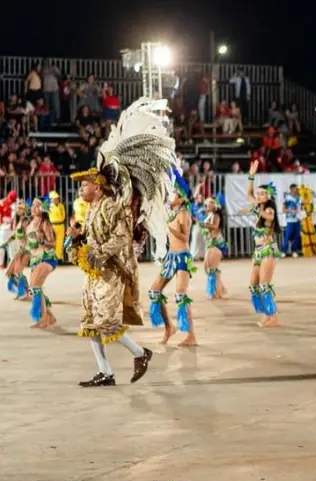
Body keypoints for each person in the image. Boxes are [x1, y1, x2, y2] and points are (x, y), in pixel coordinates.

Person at [66, 97, 176, 387]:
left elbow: (121, 238)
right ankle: (106, 372)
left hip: (111, 270)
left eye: (85, 184)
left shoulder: (114, 207)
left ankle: (140, 353)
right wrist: (78, 240)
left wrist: (97, 252)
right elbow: (92, 239)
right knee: (90, 323)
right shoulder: (91, 210)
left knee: (106, 322)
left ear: (98, 186)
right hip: (95, 271)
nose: (81, 188)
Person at [147, 176, 198, 347]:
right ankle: (169, 327)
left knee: (180, 295)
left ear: (182, 198)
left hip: (182, 256)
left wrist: (169, 228)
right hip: (170, 257)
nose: (171, 196)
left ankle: (192, 336)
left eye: (174, 194)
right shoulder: (172, 213)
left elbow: (185, 237)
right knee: (155, 291)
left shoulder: (183, 214)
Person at [244, 161, 282, 327]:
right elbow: (249, 193)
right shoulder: (258, 205)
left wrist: (253, 207)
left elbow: (270, 218)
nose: (258, 196)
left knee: (264, 285)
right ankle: (266, 313)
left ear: (268, 196)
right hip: (258, 251)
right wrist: (251, 175)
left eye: (262, 194)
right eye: (258, 194)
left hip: (268, 250)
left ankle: (272, 316)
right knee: (253, 286)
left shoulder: (268, 209)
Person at [25, 198, 58, 328]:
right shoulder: (30, 224)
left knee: (35, 287)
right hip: (35, 259)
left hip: (47, 258)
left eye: (37, 205)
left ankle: (43, 318)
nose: (33, 207)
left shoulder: (44, 223)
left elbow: (53, 243)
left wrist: (41, 242)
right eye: (33, 205)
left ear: (42, 209)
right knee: (34, 289)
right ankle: (49, 316)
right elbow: (28, 244)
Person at [202, 194, 228, 300]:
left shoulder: (215, 216)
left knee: (211, 269)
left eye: (212, 202)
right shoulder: (209, 215)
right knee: (208, 268)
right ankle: (220, 289)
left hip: (216, 244)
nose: (208, 204)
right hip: (210, 244)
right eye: (208, 202)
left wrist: (205, 225)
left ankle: (214, 292)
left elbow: (215, 227)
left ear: (216, 206)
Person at [283, 184, 303, 257]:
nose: (296, 190)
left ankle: (294, 251)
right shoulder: (287, 198)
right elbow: (283, 209)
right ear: (291, 190)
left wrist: (301, 212)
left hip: (298, 219)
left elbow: (301, 208)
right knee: (288, 235)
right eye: (294, 189)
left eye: (296, 189)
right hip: (290, 219)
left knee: (297, 236)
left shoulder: (299, 198)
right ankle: (284, 251)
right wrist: (291, 211)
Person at [48, 191, 66, 262]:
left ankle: (59, 257)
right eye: (54, 199)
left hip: (61, 225)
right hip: (53, 225)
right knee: (52, 241)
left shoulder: (61, 205)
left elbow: (63, 215)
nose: (56, 200)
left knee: (60, 241)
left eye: (57, 198)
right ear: (51, 199)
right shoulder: (49, 206)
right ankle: (52, 256)